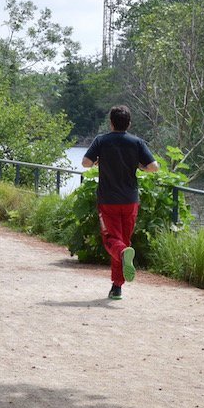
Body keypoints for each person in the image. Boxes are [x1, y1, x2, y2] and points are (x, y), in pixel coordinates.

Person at [81, 105, 159, 300]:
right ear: (129, 123)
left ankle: (124, 256)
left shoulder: (101, 141)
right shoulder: (137, 142)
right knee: (122, 241)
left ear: (111, 122)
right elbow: (154, 167)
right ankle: (117, 287)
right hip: (130, 200)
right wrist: (140, 166)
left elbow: (85, 163)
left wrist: (98, 160)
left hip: (108, 200)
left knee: (111, 240)